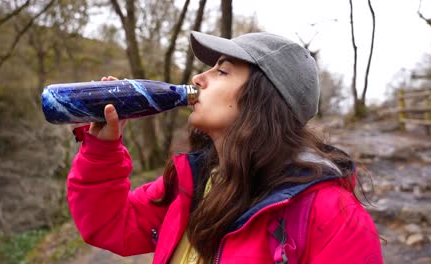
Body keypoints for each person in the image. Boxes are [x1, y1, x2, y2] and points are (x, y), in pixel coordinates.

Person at [67, 31, 383, 264]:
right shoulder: (195, 183)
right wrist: (103, 148)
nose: (198, 78)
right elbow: (110, 225)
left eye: (221, 71)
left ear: (264, 98)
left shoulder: (334, 216)